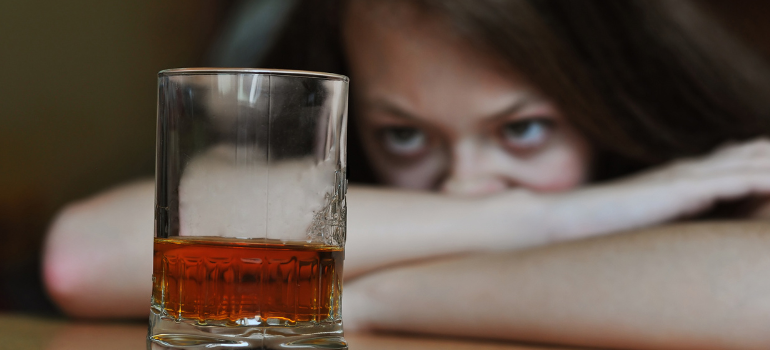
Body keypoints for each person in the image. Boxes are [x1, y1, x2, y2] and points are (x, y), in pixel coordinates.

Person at [43, 0, 770, 348]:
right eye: (404, 134)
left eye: (522, 129)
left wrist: (375, 297)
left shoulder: (723, 163)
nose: (464, 184)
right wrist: (543, 219)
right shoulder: (329, 130)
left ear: (614, 99)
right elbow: (86, 258)